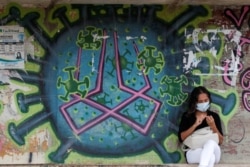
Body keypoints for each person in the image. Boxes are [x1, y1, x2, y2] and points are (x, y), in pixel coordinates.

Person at [178, 86, 224, 167]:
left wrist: (213, 126)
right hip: (193, 152)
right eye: (200, 101)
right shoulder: (187, 116)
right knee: (211, 158)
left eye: (206, 100)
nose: (203, 103)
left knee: (210, 143)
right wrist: (195, 125)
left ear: (209, 100)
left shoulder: (214, 116)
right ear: (195, 103)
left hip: (214, 151)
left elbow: (220, 141)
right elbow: (181, 138)